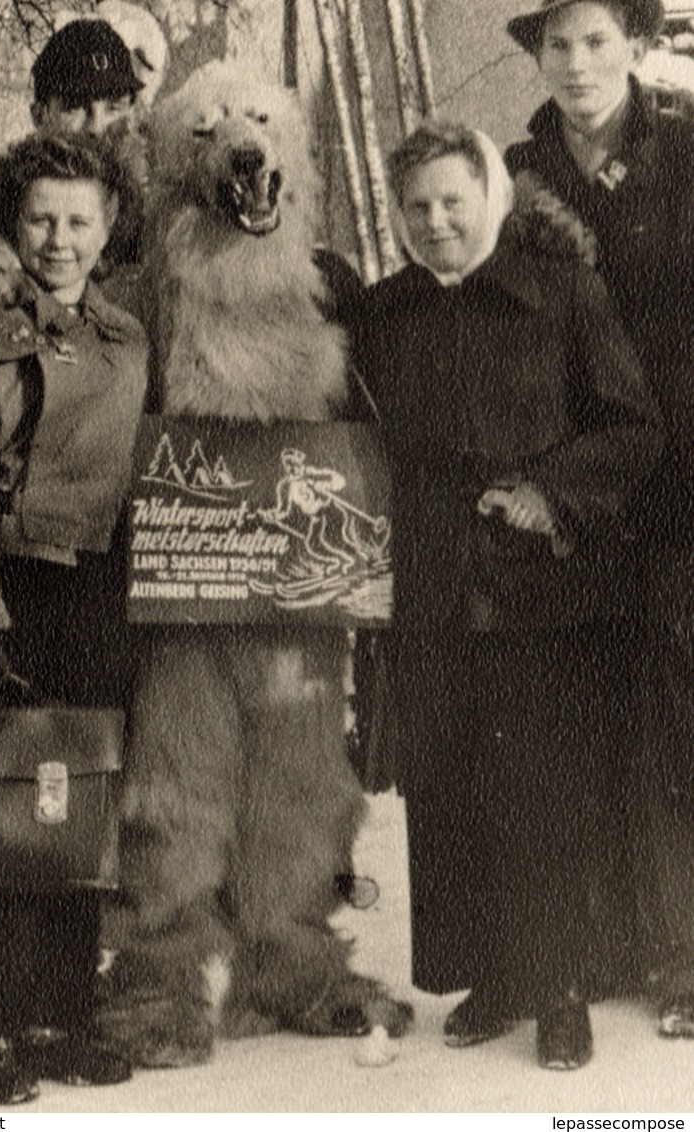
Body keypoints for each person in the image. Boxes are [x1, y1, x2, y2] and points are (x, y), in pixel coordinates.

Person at [352, 121, 661, 1069]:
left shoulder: (561, 292)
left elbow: (633, 426)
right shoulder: (382, 312)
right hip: (433, 592)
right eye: (417, 207)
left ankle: (561, 984)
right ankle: (493, 971)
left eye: (454, 200)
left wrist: (549, 494)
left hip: (544, 596)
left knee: (548, 791)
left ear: (492, 195)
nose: (437, 222)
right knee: (453, 787)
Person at [0, 132, 148, 1103]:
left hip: (96, 589)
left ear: (108, 229)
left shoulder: (125, 335)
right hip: (8, 588)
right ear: (13, 221)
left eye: (79, 220)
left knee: (72, 803)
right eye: (40, 217)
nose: (59, 239)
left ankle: (59, 1009)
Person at [504, 0, 694, 1038]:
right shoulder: (512, 169)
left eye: (595, 42)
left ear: (637, 47)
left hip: (681, 481)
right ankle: (616, 937)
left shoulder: (688, 155)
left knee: (679, 705)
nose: (575, 64)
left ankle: (689, 954)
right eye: (556, 45)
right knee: (592, 708)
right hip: (570, 486)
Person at [0, 18, 147, 270]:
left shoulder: (148, 233)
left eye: (113, 107)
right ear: (39, 115)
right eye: (76, 106)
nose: (96, 127)